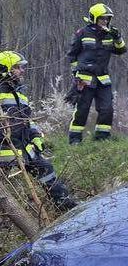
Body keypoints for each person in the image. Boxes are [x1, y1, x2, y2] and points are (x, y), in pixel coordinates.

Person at [0, 51, 77, 210]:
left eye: (22, 67)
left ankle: (67, 207)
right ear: (5, 69)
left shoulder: (20, 94)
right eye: (17, 67)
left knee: (46, 170)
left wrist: (36, 136)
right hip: (5, 152)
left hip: (24, 149)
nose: (22, 71)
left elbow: (28, 120)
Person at [67, 3, 127, 143]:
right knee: (82, 111)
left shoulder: (109, 35)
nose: (105, 22)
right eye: (102, 19)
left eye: (107, 19)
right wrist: (76, 75)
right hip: (84, 79)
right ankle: (75, 140)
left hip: (103, 79)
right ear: (94, 18)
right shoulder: (82, 33)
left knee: (107, 109)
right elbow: (72, 55)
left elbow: (121, 50)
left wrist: (118, 37)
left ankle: (102, 139)